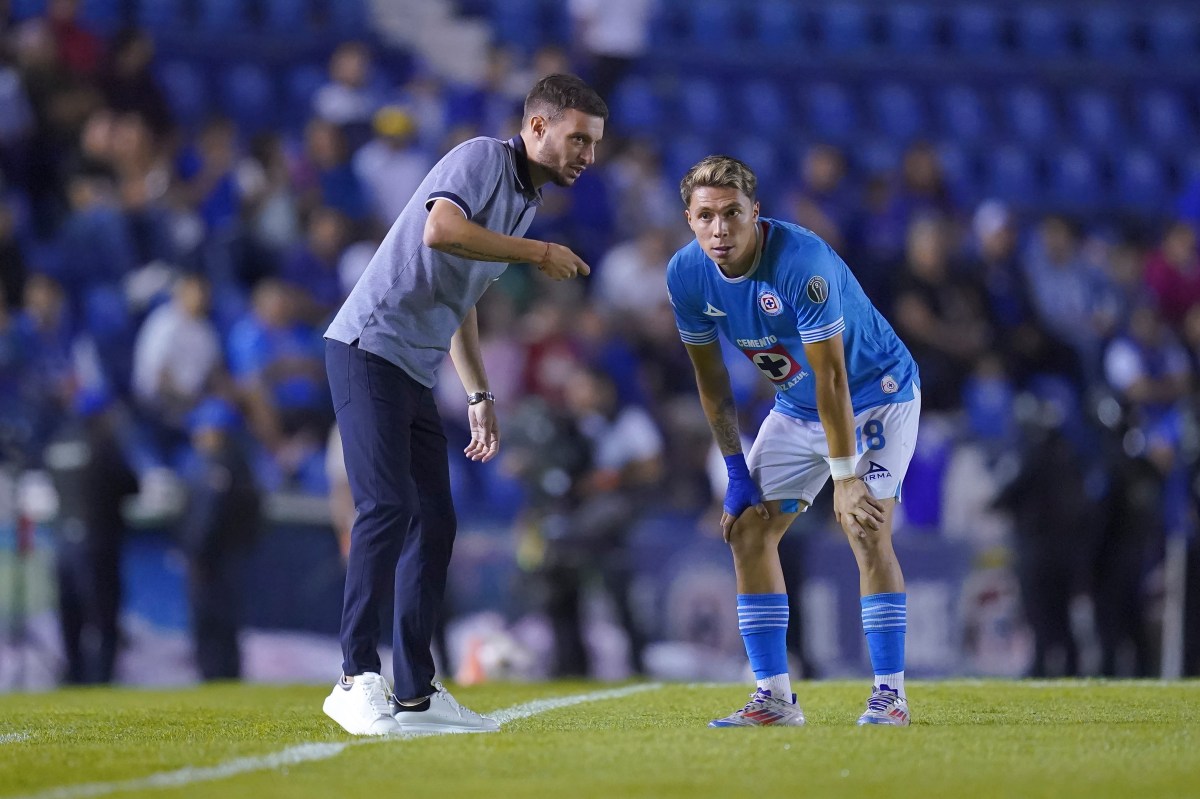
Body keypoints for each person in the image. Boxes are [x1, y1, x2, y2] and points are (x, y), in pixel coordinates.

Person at [320, 74, 607, 736]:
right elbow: (441, 231)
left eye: (593, 144)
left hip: (414, 365)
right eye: (578, 138)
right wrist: (537, 254)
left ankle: (416, 693)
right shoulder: (481, 157)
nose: (587, 155)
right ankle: (354, 676)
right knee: (386, 505)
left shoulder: (524, 200)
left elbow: (461, 292)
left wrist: (478, 391)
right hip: (367, 346)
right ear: (537, 127)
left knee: (437, 521)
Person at [666, 155, 920, 727]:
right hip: (799, 405)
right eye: (706, 216)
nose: (720, 229)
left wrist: (846, 476)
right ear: (689, 219)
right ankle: (775, 698)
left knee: (864, 523)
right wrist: (735, 473)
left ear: (756, 213)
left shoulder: (801, 262)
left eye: (733, 213)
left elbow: (832, 377)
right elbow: (713, 384)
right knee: (747, 529)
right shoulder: (686, 275)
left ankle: (890, 696)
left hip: (875, 393)